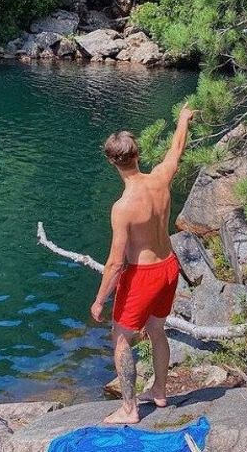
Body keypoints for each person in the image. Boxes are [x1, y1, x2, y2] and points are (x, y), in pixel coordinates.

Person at [89, 103, 194, 425]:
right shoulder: (161, 178)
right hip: (169, 266)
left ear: (112, 161)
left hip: (143, 275)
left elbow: (116, 263)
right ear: (138, 155)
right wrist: (182, 120)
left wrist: (99, 299)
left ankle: (130, 408)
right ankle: (159, 390)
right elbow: (176, 149)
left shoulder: (122, 207)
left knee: (120, 339)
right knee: (157, 330)